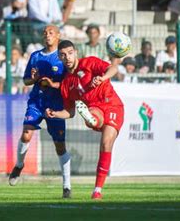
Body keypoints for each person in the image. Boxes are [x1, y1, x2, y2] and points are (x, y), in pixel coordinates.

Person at [45, 40, 124, 200]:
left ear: (76, 53)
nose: (67, 57)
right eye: (63, 55)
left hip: (113, 105)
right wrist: (55, 113)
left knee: (106, 144)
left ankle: (97, 190)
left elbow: (113, 68)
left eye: (69, 53)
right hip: (95, 108)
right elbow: (70, 111)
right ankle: (91, 119)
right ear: (59, 58)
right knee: (93, 119)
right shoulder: (66, 83)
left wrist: (102, 78)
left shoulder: (89, 62)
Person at [8, 25, 72, 199]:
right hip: (37, 102)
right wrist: (34, 79)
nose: (47, 35)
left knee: (60, 146)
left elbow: (68, 84)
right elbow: (26, 80)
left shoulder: (63, 58)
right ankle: (19, 165)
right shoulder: (36, 56)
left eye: (51, 33)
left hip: (56, 106)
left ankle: (67, 186)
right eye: (45, 33)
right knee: (26, 134)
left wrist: (52, 84)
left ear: (58, 35)